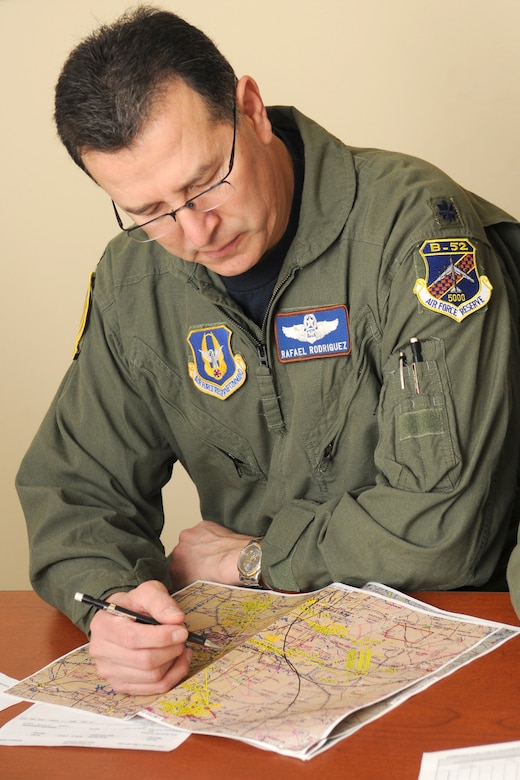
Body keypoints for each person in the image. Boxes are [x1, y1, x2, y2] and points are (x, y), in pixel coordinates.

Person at [16, 6, 520, 695]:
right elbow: (73, 491)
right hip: (251, 662)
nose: (195, 231)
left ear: (249, 109)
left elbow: (448, 525)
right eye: (150, 211)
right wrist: (114, 603)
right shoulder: (134, 279)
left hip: (447, 651)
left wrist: (255, 561)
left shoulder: (420, 233)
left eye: (203, 182)